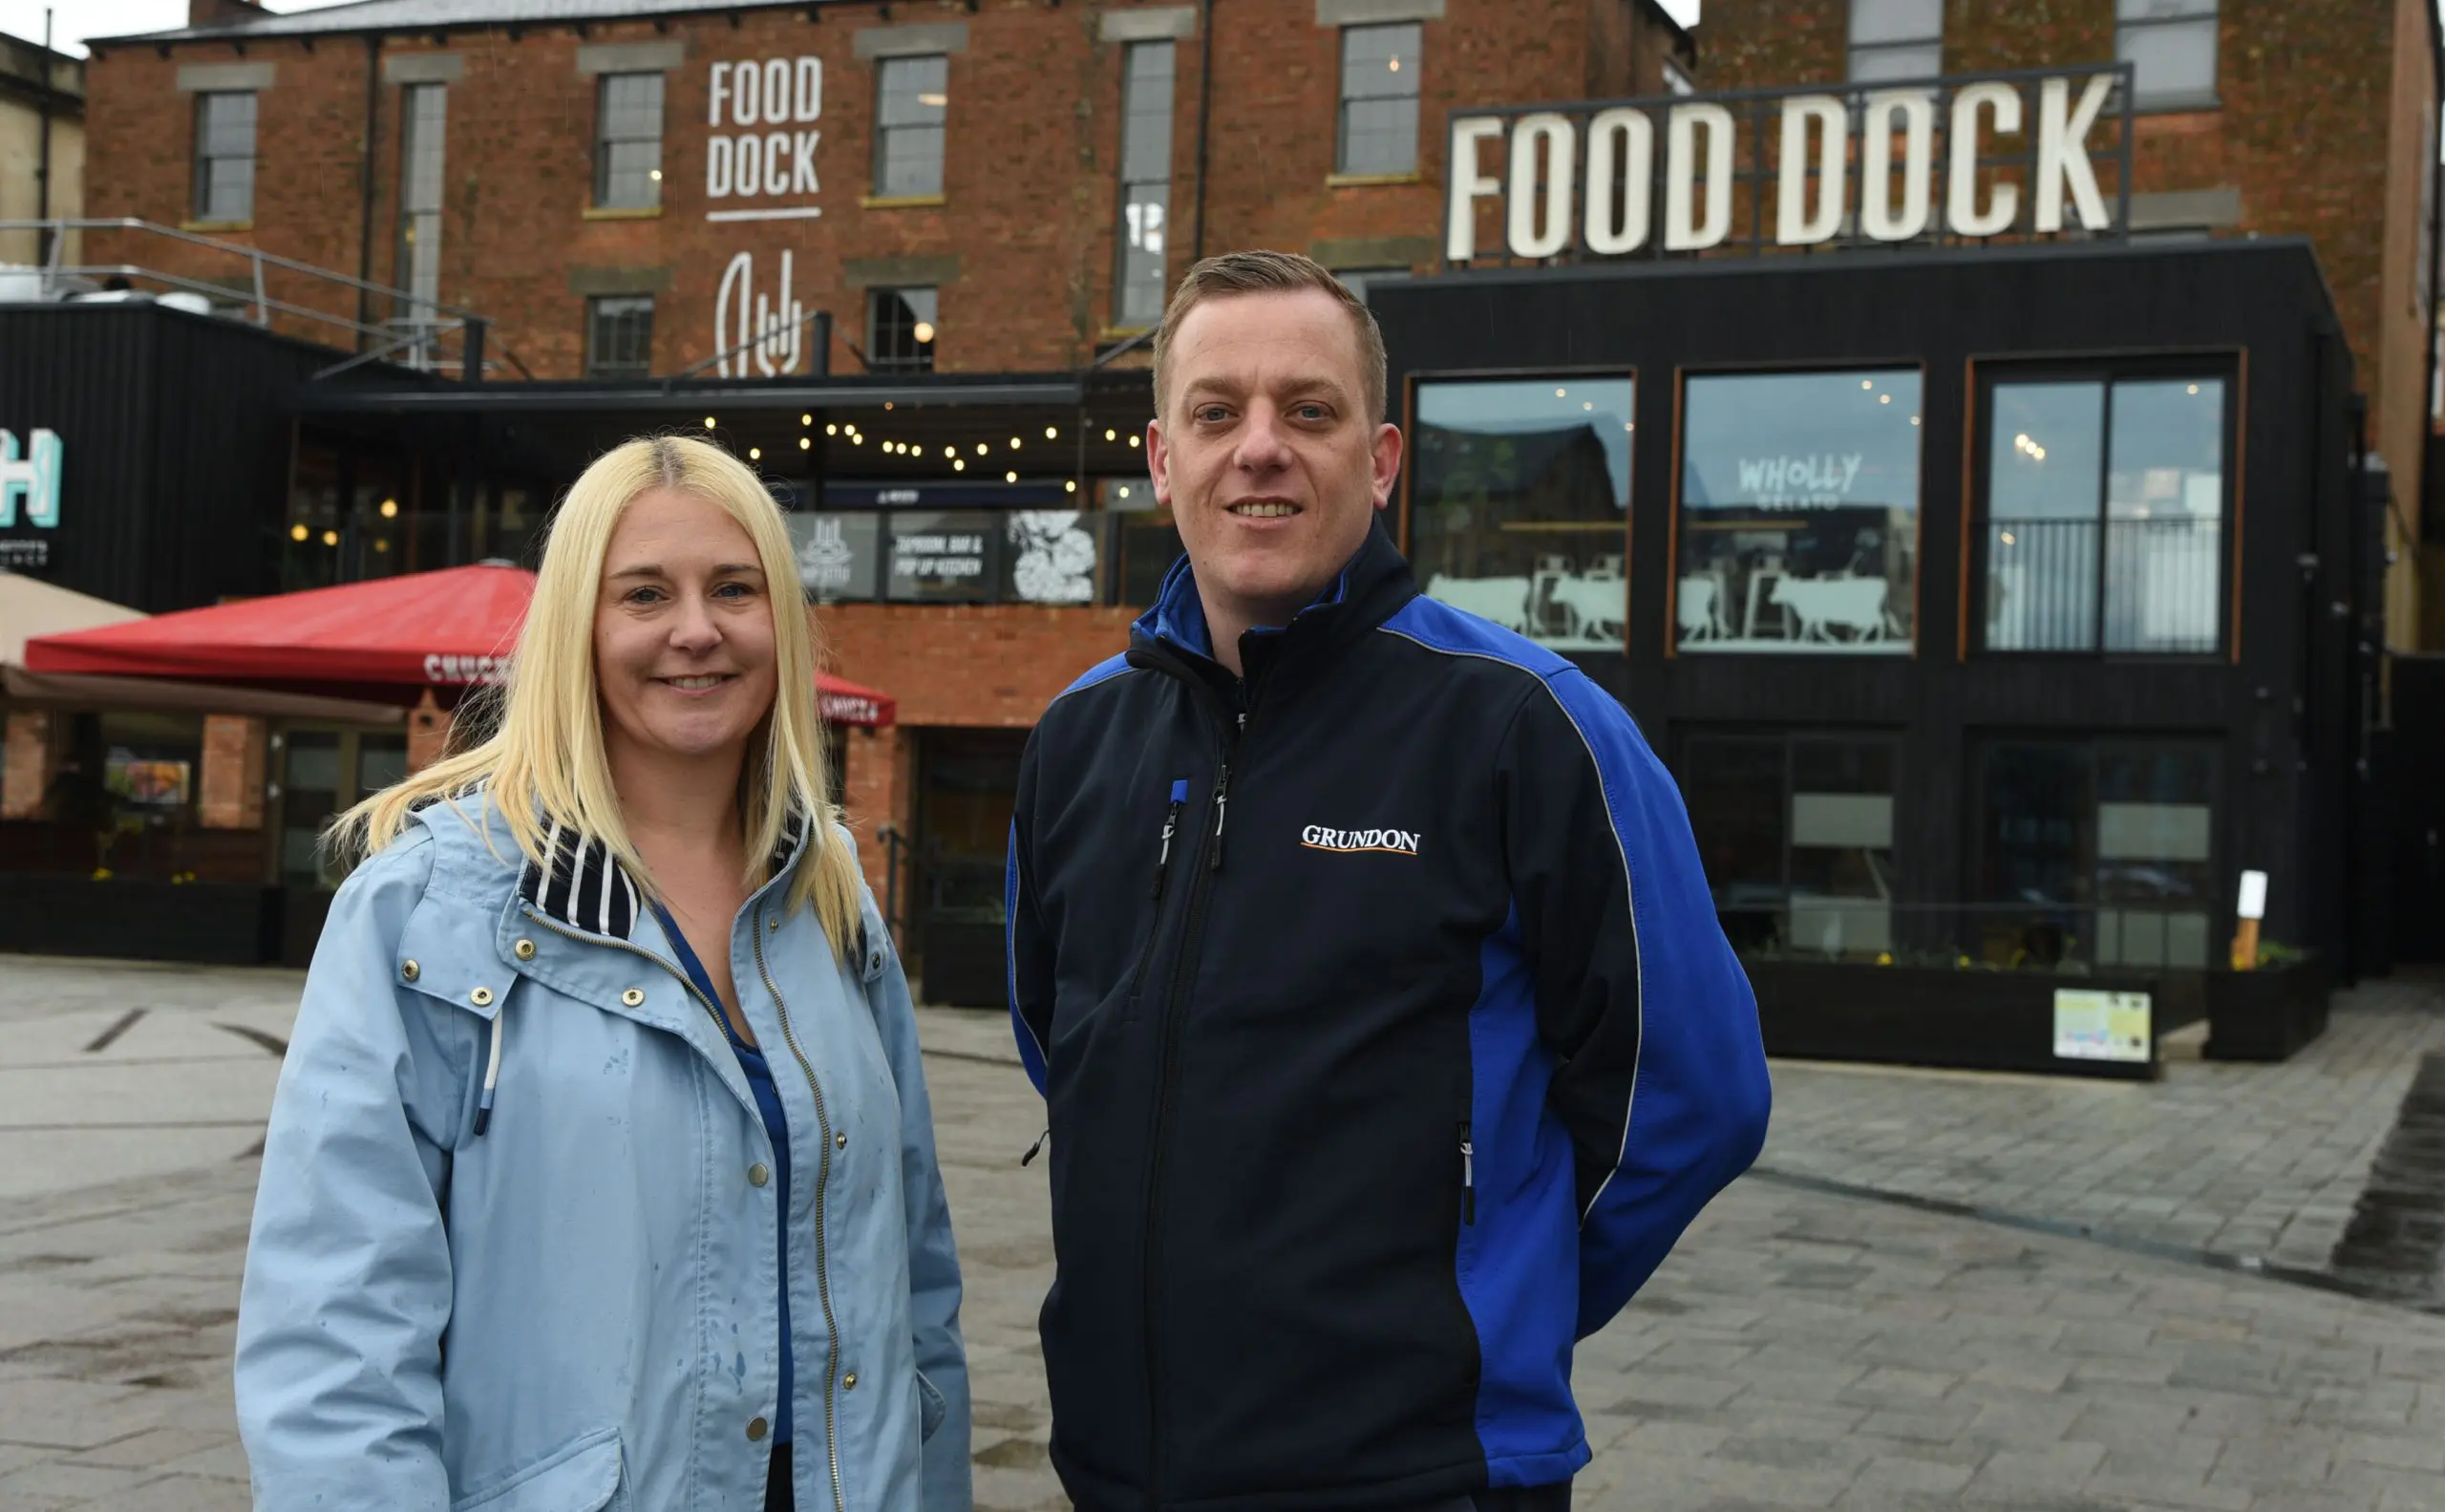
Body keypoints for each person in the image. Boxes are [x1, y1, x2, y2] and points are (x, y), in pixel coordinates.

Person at [1007, 251, 1772, 1512]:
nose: (1261, 447)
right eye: (1217, 412)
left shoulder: (1531, 729)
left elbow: (1696, 1093)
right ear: (1159, 457)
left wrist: (1490, 1304)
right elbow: (1061, 1045)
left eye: (1309, 410)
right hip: (1122, 1468)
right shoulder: (1077, 738)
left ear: (1380, 457)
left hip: (1422, 1475)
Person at [235, 436, 969, 1512]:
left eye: (734, 588)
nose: (696, 630)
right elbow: (335, 1337)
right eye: (643, 594)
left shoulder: (832, 897)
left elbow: (916, 1291)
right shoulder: (427, 909)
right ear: (580, 625)